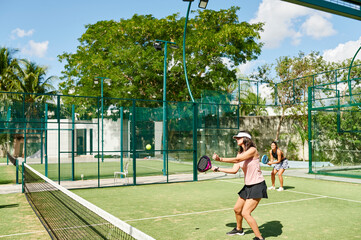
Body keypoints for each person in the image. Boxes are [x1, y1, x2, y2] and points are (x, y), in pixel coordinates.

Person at [212, 130, 267, 240]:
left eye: (238, 138)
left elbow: (237, 160)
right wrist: (218, 169)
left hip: (257, 185)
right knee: (237, 209)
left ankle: (259, 238)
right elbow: (234, 170)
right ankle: (239, 229)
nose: (236, 139)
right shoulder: (240, 153)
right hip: (248, 186)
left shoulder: (252, 150)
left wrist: (220, 159)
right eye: (236, 138)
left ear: (246, 139)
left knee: (246, 213)